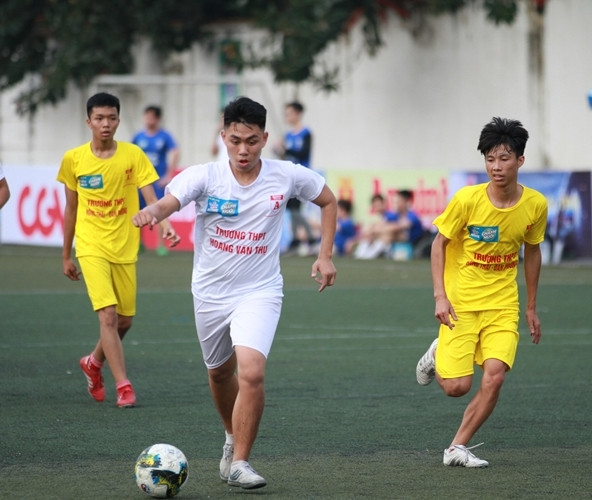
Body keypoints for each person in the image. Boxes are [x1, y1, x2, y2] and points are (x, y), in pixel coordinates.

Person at [132, 96, 337, 489]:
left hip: (260, 290)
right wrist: (152, 213)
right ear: (223, 136)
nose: (243, 150)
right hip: (210, 293)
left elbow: (328, 200)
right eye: (236, 140)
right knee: (219, 372)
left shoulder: (286, 175)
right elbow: (169, 202)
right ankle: (230, 437)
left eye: (252, 141)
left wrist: (324, 255)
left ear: (265, 139)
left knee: (252, 372)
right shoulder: (204, 176)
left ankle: (241, 461)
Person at [415, 117, 547, 467]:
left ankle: (456, 447)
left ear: (520, 160)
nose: (496, 166)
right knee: (456, 387)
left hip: (503, 304)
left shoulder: (535, 205)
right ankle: (438, 352)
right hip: (461, 303)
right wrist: (440, 296)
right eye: (490, 159)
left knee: (495, 375)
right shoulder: (467, 200)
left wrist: (531, 307)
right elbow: (439, 244)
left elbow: (533, 251)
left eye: (504, 158)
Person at [57, 93, 180, 408]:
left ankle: (93, 362)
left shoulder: (133, 154)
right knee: (108, 316)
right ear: (89, 122)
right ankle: (123, 386)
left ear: (119, 120)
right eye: (99, 118)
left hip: (125, 246)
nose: (106, 124)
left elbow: (151, 199)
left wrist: (164, 225)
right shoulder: (74, 159)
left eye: (111, 118)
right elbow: (71, 209)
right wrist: (66, 254)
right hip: (90, 245)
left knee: (124, 322)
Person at [132, 105, 180, 256]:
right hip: (140, 181)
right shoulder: (138, 137)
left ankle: (160, 244)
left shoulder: (164, 136)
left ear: (157, 119)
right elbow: (130, 155)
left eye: (152, 117)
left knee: (159, 210)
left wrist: (168, 174)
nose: (149, 120)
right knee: (138, 210)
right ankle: (139, 243)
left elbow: (175, 151)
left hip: (157, 181)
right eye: (147, 117)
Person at [273, 101, 317, 254]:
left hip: (302, 176)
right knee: (292, 209)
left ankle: (311, 238)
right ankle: (296, 240)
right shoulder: (287, 135)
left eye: (290, 113)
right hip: (289, 175)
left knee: (294, 209)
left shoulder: (306, 133)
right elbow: (285, 156)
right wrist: (278, 150)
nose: (287, 117)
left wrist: (287, 149)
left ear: (298, 114)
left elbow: (304, 153)